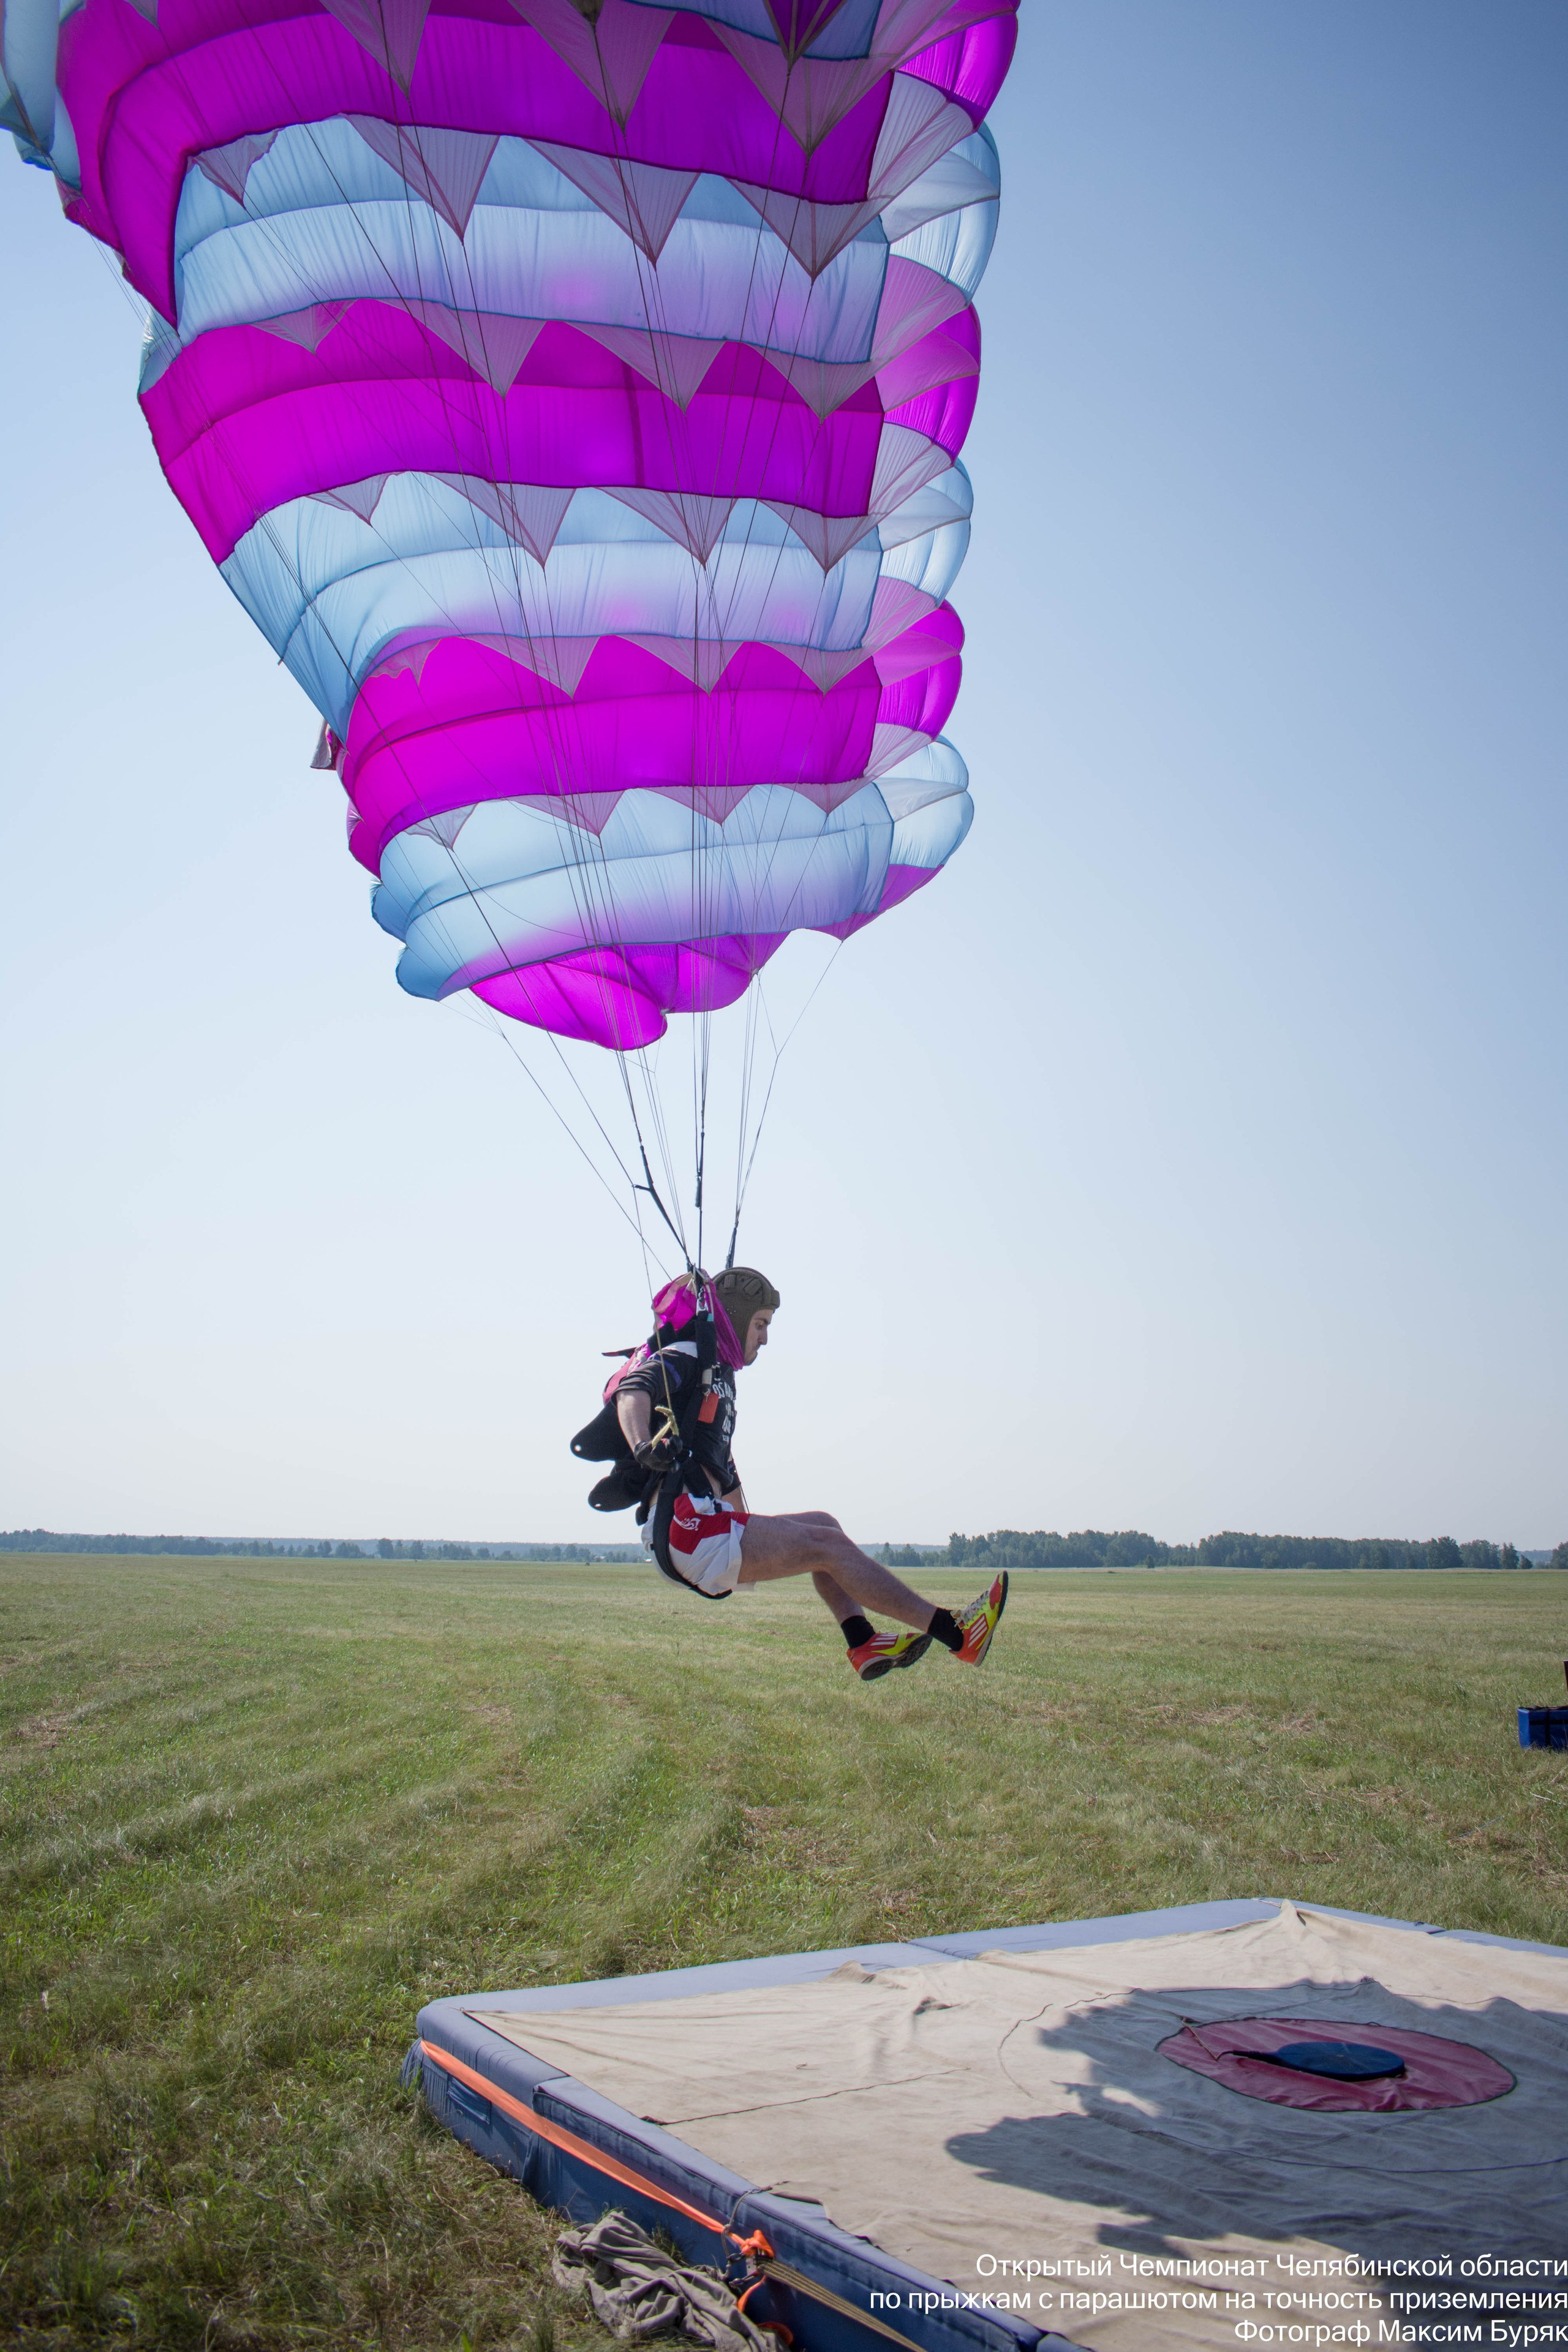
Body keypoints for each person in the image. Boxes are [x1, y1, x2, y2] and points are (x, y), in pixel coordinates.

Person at [614, 1267, 1007, 1681]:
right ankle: (958, 1634)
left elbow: (727, 1480)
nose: (765, 1337)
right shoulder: (689, 1357)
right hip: (686, 1529)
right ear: (734, 1316)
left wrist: (759, 1546)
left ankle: (862, 1640)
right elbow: (633, 1391)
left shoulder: (717, 1382)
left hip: (704, 1527)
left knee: (823, 1526)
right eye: (760, 1324)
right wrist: (643, 1446)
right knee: (827, 1545)